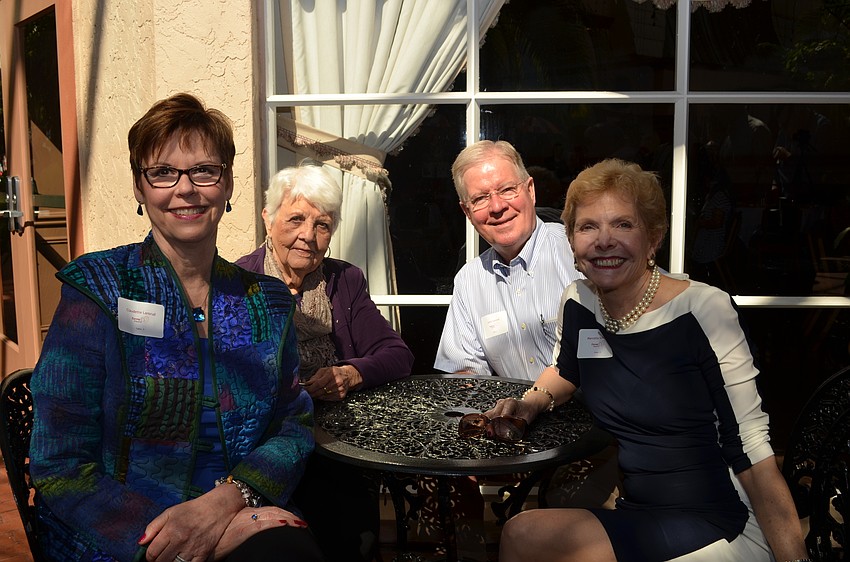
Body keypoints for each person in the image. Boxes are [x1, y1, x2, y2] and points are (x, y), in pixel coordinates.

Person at [28, 93, 323, 562]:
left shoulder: (266, 302)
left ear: (226, 184)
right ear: (139, 188)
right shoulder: (99, 290)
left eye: (204, 170)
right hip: (121, 535)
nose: (185, 189)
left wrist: (228, 504)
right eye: (163, 172)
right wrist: (179, 535)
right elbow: (60, 463)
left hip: (237, 514)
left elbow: (292, 426)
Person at [485, 158, 810, 562]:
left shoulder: (703, 310)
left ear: (653, 238)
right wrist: (530, 402)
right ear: (570, 239)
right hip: (641, 511)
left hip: (717, 517)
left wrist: (793, 558)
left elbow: (754, 452)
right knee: (520, 533)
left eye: (623, 224)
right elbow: (567, 370)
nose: (604, 241)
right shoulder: (580, 302)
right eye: (588, 226)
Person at [236, 162, 414, 562]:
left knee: (356, 539)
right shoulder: (237, 282)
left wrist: (350, 373)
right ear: (268, 218)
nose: (308, 236)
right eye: (296, 218)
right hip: (266, 446)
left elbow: (397, 354)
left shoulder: (343, 281)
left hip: (338, 448)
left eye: (322, 225)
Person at [435, 140, 583, 381]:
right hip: (513, 417)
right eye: (481, 198)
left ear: (531, 190)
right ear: (467, 212)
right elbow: (465, 374)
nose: (496, 206)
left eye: (506, 190)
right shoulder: (469, 281)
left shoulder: (578, 251)